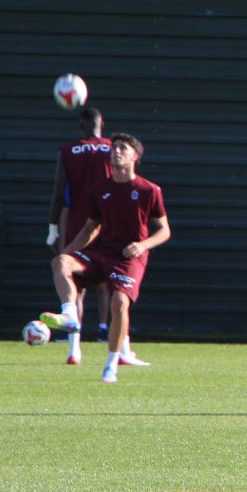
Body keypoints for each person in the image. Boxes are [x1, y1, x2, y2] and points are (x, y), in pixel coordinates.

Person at [41, 133, 172, 383]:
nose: (116, 151)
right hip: (102, 253)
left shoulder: (149, 190)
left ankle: (111, 364)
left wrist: (142, 245)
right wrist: (68, 252)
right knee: (60, 262)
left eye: (123, 148)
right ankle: (70, 315)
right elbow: (90, 229)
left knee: (119, 303)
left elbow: (164, 230)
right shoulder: (100, 189)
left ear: (135, 156)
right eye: (114, 148)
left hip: (129, 259)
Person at [46, 108, 146, 367]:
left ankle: (74, 350)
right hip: (110, 227)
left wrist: (53, 229)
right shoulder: (112, 148)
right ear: (102, 124)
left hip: (81, 225)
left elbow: (58, 194)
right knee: (117, 290)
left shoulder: (68, 151)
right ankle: (122, 349)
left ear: (81, 125)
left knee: (74, 285)